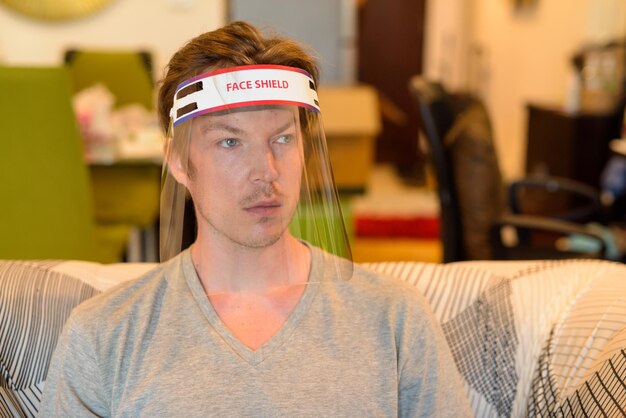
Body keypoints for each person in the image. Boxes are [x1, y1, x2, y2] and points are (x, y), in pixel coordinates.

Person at [40, 21, 472, 417]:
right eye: (230, 142)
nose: (265, 170)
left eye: (283, 138)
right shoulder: (104, 334)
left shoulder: (394, 320)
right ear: (178, 162)